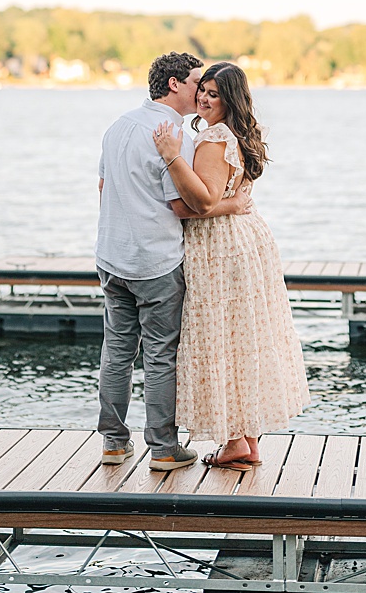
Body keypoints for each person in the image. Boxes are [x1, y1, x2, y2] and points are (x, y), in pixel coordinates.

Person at [152, 60, 310, 470]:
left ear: (230, 100)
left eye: (213, 94)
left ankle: (235, 441)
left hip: (219, 248)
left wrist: (171, 160)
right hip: (248, 240)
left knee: (220, 339)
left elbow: (199, 203)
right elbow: (227, 197)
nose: (203, 97)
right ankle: (248, 442)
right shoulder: (239, 134)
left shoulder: (212, 140)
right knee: (246, 339)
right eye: (202, 90)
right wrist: (234, 203)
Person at [95, 51, 249, 471]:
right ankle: (163, 449)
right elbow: (190, 204)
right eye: (197, 81)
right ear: (175, 84)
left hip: (111, 256)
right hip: (156, 261)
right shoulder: (170, 134)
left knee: (117, 351)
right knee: (160, 356)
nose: (201, 90)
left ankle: (113, 442)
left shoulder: (118, 126)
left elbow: (104, 187)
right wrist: (233, 204)